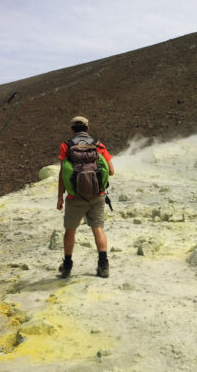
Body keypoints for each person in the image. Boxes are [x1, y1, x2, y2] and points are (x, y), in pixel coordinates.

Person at [57, 116, 114, 278]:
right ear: (87, 129)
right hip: (97, 196)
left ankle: (67, 266)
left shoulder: (66, 146)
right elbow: (111, 171)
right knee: (98, 229)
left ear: (72, 130)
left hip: (75, 198)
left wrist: (60, 197)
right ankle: (103, 266)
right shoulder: (98, 146)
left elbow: (63, 174)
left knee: (70, 231)